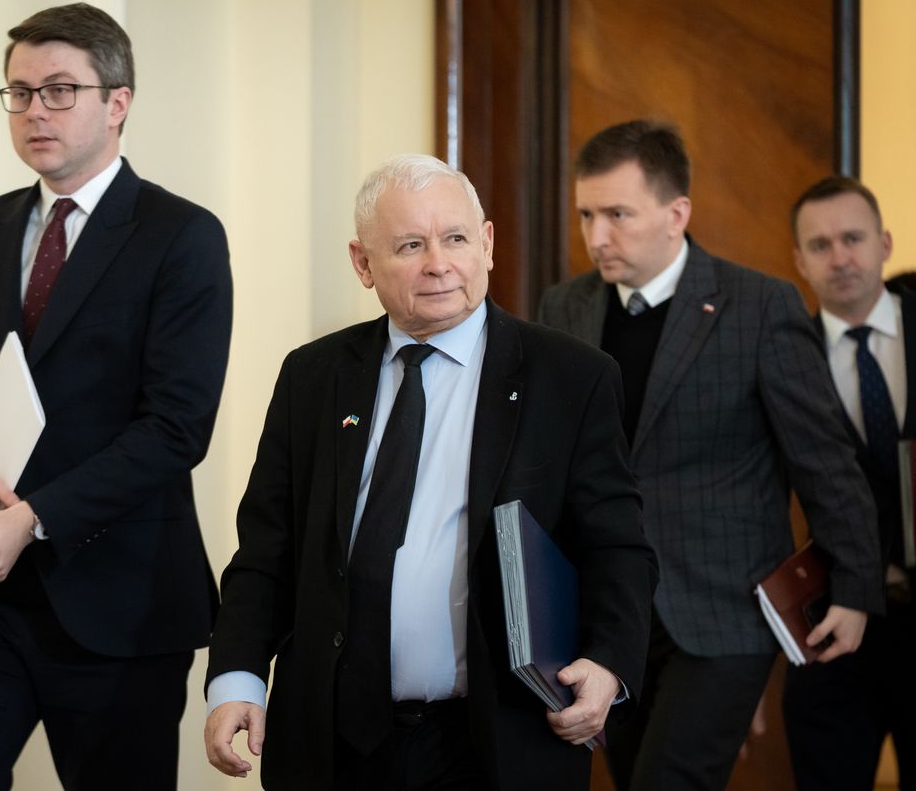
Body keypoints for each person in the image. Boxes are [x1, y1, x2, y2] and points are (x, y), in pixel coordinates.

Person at [202, 154, 658, 790]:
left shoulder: (572, 377)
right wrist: (237, 678)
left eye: (456, 238)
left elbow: (618, 547)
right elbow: (267, 548)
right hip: (334, 740)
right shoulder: (313, 376)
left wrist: (609, 663)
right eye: (411, 245)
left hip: (496, 738)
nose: (438, 263)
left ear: (488, 244)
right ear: (363, 263)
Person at [0, 3, 232, 790]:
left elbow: (177, 427)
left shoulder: (181, 234)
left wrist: (34, 521)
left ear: (118, 102)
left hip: (120, 602)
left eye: (58, 90)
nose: (33, 110)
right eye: (18, 92)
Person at [537, 120, 884, 791]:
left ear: (677, 214)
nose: (597, 235)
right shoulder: (564, 307)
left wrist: (856, 584)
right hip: (609, 615)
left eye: (617, 214)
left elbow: (823, 457)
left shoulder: (759, 306)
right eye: (586, 214)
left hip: (725, 611)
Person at [785, 175, 916, 790]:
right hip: (835, 623)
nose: (840, 257)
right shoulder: (783, 354)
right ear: (799, 261)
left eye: (852, 238)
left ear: (883, 242)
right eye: (820, 245)